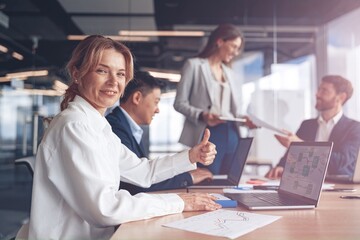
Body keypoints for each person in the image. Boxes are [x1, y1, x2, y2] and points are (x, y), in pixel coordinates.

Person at [26, 35, 221, 240]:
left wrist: (191, 156)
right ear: (77, 74)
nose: (113, 82)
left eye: (120, 74)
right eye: (102, 71)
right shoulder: (74, 126)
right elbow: (105, 209)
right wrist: (180, 202)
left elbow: (142, 172)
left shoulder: (97, 125)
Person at [106, 71, 213, 194]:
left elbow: (143, 172)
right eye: (156, 102)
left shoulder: (127, 127)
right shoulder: (114, 129)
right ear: (137, 98)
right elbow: (136, 183)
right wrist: (188, 177)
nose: (157, 110)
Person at [173, 23, 256, 174]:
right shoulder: (194, 65)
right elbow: (179, 103)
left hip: (232, 134)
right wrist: (202, 114)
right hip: (208, 133)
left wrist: (244, 120)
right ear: (219, 41)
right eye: (234, 46)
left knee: (230, 182)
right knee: (206, 179)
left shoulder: (230, 73)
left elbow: (234, 111)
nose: (236, 52)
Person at [265, 75, 360, 179]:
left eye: (324, 91)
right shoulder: (307, 125)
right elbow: (291, 156)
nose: (317, 94)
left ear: (341, 97)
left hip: (337, 188)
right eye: (319, 89)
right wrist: (282, 167)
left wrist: (301, 145)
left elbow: (340, 162)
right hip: (305, 184)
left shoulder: (354, 128)